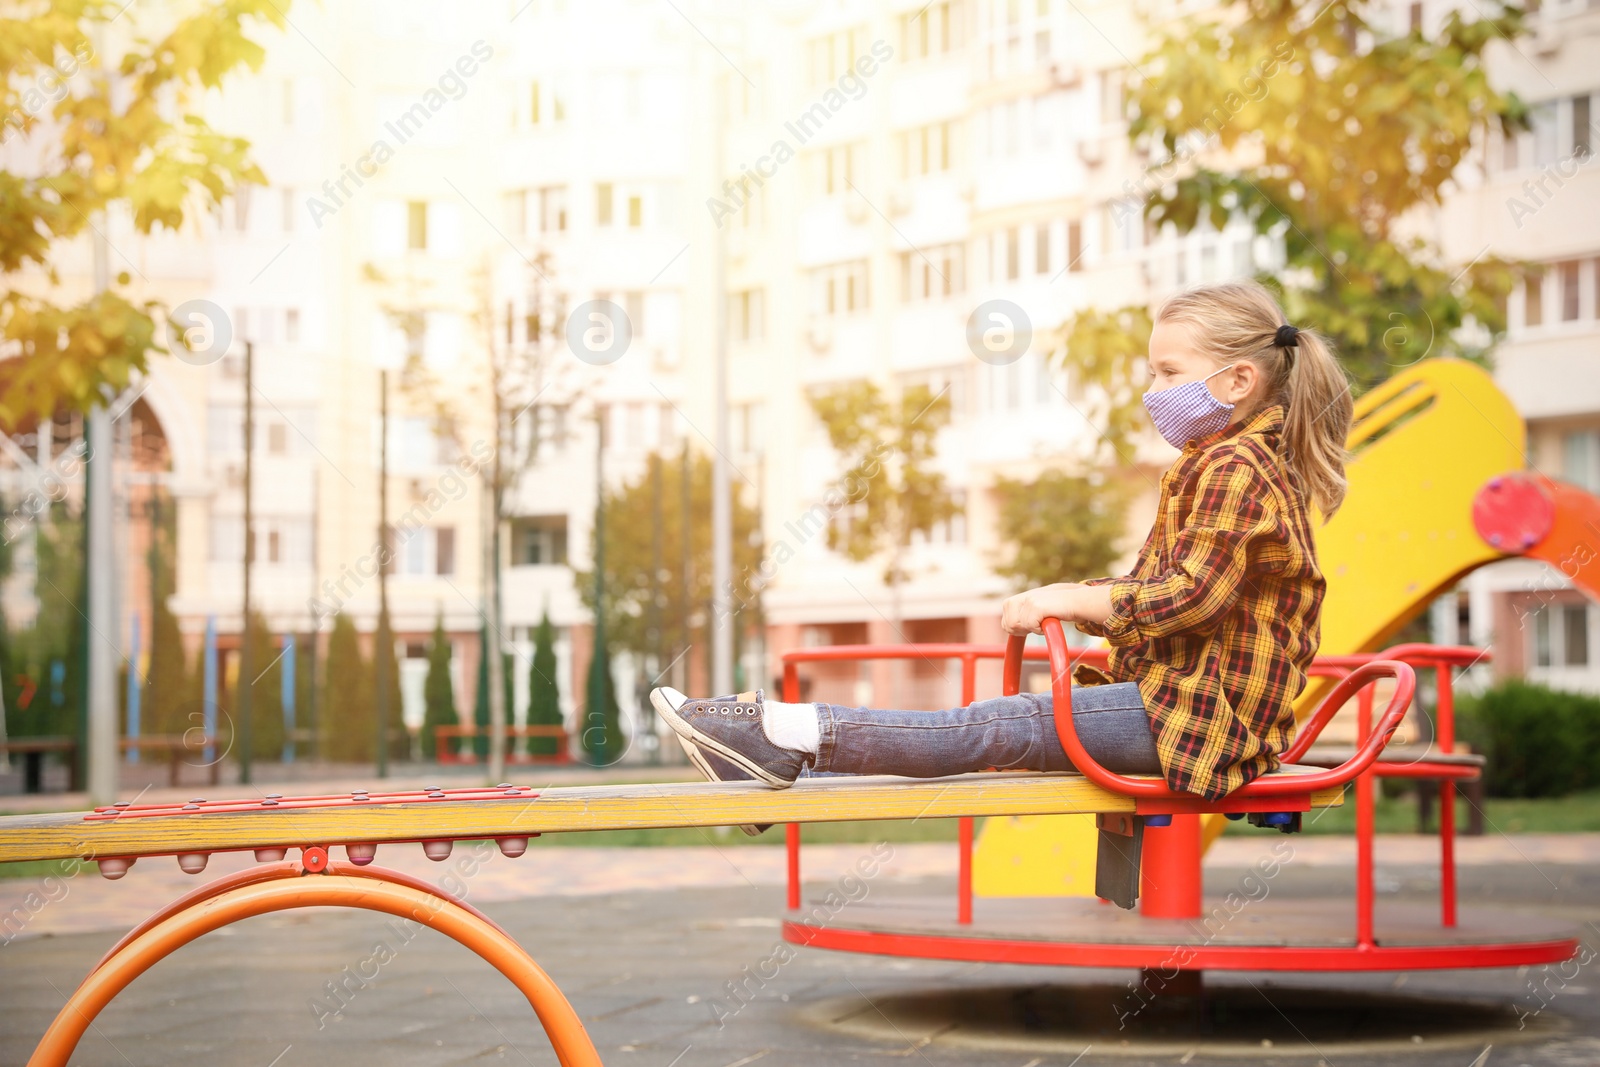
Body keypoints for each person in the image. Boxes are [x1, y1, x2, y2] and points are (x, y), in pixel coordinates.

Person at [652, 280, 1355, 814]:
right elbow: (1158, 585)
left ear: (1239, 380)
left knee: (1000, 725)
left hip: (1198, 722)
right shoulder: (1217, 463)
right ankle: (774, 749)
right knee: (996, 726)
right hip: (1182, 707)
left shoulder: (1238, 468)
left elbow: (1189, 597)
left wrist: (1069, 599)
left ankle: (775, 731)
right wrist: (1075, 601)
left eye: (1168, 373)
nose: (1153, 391)